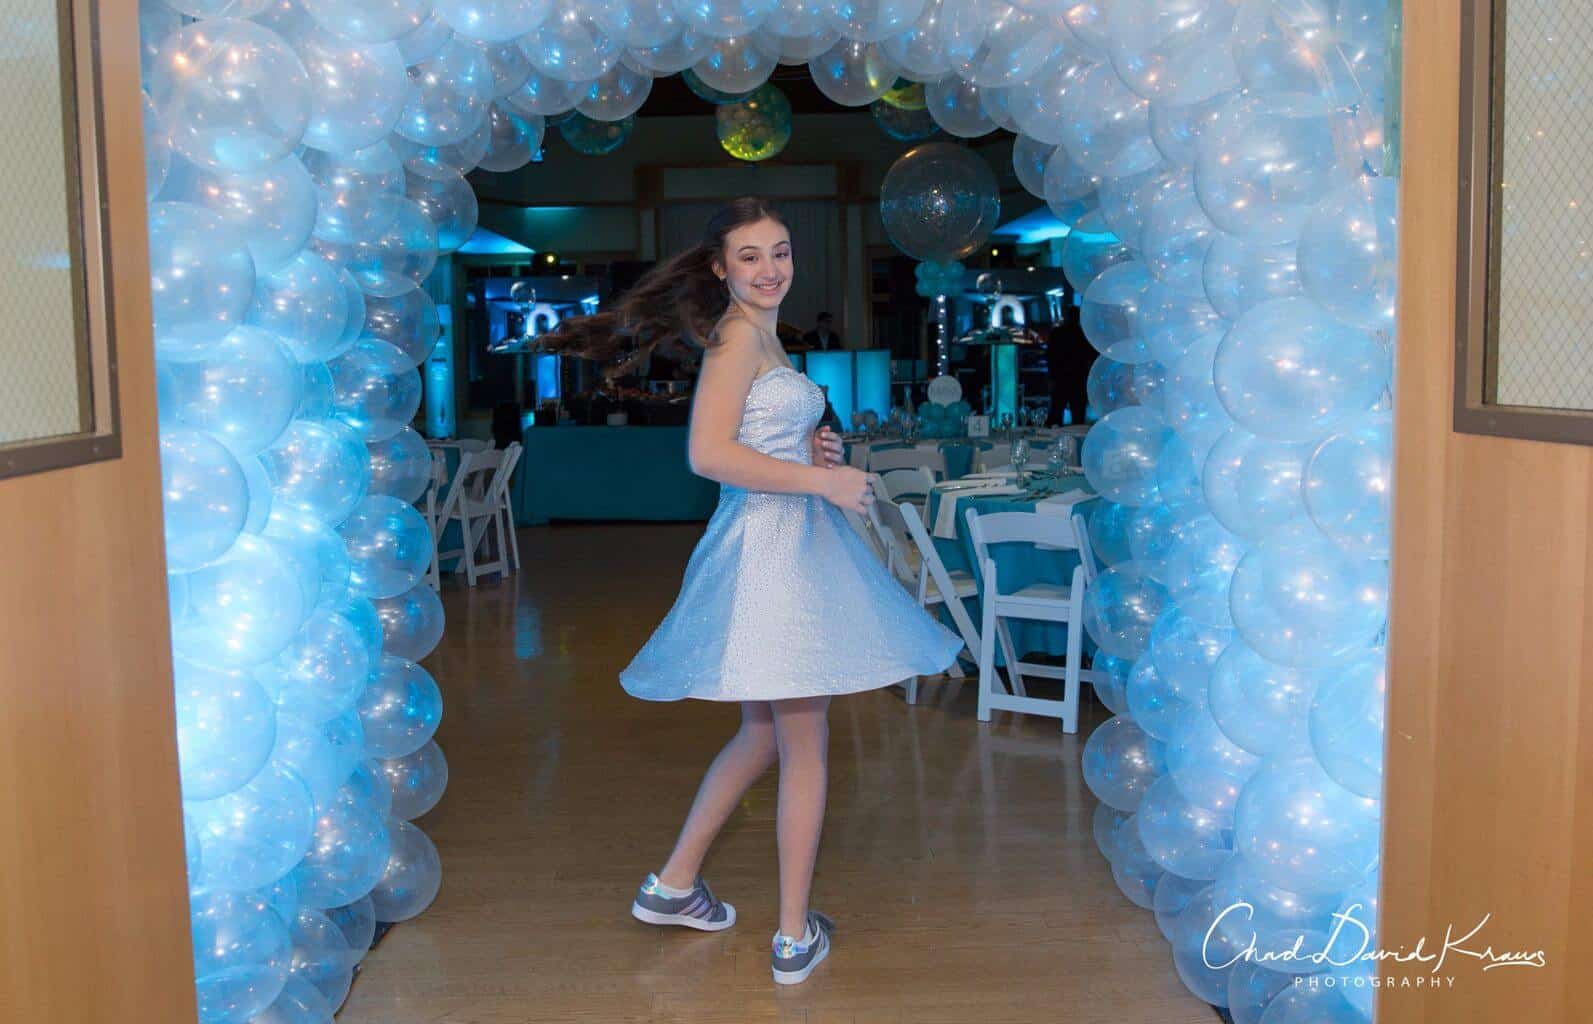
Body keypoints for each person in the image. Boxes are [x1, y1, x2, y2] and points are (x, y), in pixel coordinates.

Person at [548, 198, 961, 986]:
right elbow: (706, 454)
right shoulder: (736, 336)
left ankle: (672, 886)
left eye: (780, 252)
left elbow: (747, 437)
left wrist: (807, 444)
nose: (769, 269)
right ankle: (793, 936)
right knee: (805, 741)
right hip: (775, 552)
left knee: (764, 735)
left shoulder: (760, 335)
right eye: (749, 256)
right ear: (719, 267)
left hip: (781, 540)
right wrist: (822, 478)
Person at [1046, 301, 1095, 427]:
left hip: (1060, 377)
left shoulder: (1057, 333)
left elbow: (1050, 356)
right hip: (1078, 378)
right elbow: (1091, 356)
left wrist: (1051, 377)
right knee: (1078, 415)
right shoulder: (1083, 335)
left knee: (1056, 412)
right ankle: (1076, 442)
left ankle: (1054, 439)